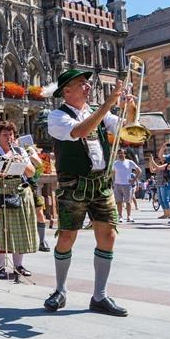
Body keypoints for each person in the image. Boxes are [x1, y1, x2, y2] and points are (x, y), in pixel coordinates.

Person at [44, 69, 127, 316]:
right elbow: (79, 131)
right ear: (66, 91)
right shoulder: (56, 116)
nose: (88, 86)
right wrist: (109, 103)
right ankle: (60, 290)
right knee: (67, 236)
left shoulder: (96, 113)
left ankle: (99, 296)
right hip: (73, 183)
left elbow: (126, 127)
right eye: (82, 83)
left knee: (108, 234)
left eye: (88, 83)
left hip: (101, 182)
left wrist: (128, 107)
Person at [0, 121, 37, 279]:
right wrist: (6, 166)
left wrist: (21, 162)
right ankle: (0, 266)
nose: (9, 137)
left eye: (11, 134)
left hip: (17, 191)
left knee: (19, 229)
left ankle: (18, 265)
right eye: (5, 134)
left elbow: (31, 173)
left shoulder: (20, 150)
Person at [112, 149, 141, 223]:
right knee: (119, 202)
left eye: (122, 153)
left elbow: (139, 170)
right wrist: (113, 182)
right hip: (117, 184)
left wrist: (134, 180)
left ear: (125, 154)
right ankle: (120, 216)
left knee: (128, 202)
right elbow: (113, 173)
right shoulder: (115, 163)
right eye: (119, 153)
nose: (120, 155)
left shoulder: (129, 162)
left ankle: (129, 216)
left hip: (127, 185)